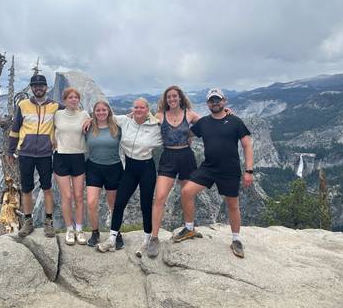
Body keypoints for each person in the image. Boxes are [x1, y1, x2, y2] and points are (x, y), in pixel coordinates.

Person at [172, 88, 253, 258]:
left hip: (230, 170)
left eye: (218, 100)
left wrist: (249, 170)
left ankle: (236, 239)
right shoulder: (204, 122)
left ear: (224, 101)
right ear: (208, 103)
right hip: (208, 168)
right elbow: (187, 133)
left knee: (232, 205)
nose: (215, 103)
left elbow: (247, 145)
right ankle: (189, 228)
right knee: (186, 191)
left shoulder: (235, 121)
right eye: (211, 101)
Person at [97, 98, 163, 257]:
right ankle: (112, 239)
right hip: (130, 168)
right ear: (133, 109)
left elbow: (173, 133)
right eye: (136, 107)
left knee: (146, 204)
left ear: (148, 110)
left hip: (147, 167)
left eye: (142, 107)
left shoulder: (156, 126)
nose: (139, 110)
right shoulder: (124, 121)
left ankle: (147, 240)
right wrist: (86, 119)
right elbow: (103, 116)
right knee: (119, 202)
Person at [146, 86, 200, 258]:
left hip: (186, 156)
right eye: (169, 97)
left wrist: (226, 113)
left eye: (174, 96)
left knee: (188, 194)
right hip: (168, 156)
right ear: (166, 99)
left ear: (180, 97)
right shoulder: (160, 116)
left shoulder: (189, 114)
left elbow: (208, 123)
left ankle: (189, 228)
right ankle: (154, 237)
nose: (172, 99)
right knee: (160, 196)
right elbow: (142, 120)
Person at [6, 74, 63, 238]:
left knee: (47, 188)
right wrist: (10, 151)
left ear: (46, 87)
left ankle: (48, 222)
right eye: (35, 85)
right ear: (31, 88)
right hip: (25, 153)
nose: (38, 88)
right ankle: (28, 222)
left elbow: (73, 110)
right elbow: (15, 129)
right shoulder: (23, 105)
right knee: (26, 189)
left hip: (45, 154)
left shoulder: (55, 106)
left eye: (41, 85)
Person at [53, 88, 90, 245]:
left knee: (79, 196)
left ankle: (79, 229)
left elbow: (103, 120)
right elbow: (50, 130)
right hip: (61, 156)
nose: (73, 100)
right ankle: (69, 229)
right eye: (70, 97)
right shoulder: (57, 115)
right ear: (65, 100)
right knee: (66, 196)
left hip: (78, 157)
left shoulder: (84, 115)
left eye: (76, 97)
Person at [85, 101, 124, 248]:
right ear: (94, 113)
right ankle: (95, 232)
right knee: (91, 202)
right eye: (98, 110)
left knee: (113, 205)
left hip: (114, 168)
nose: (101, 112)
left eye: (104, 110)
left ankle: (116, 233)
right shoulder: (88, 128)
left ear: (109, 112)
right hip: (94, 168)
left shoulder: (117, 128)